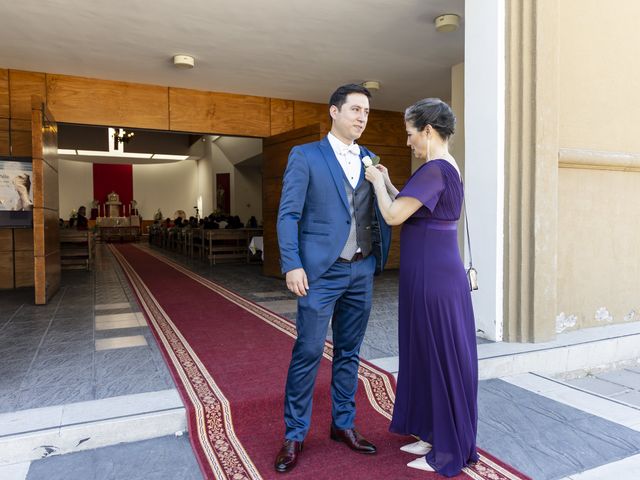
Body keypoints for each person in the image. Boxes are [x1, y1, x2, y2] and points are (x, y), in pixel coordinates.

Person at [274, 83, 391, 473]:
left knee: (349, 352)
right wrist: (292, 263)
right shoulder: (305, 156)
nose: (362, 117)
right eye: (355, 109)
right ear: (334, 112)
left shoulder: (370, 160)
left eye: (366, 112)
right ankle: (294, 434)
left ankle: (343, 425)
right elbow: (288, 214)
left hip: (361, 269)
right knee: (307, 351)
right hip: (319, 273)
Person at [364, 98, 478, 477]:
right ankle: (432, 433)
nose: (409, 141)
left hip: (434, 279)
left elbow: (394, 215)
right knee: (428, 355)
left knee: (439, 357)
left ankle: (446, 446)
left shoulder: (435, 168)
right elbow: (414, 206)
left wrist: (378, 183)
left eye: (411, 134)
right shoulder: (443, 168)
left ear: (428, 132)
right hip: (432, 275)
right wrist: (392, 183)